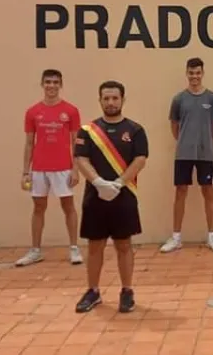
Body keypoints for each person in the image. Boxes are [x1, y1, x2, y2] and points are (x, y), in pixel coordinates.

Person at [72, 80, 149, 313]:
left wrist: (118, 182)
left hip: (123, 196)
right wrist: (97, 182)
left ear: (122, 100)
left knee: (124, 245)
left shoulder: (135, 130)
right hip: (95, 197)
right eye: (106, 98)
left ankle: (127, 291)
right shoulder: (87, 131)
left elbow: (140, 159)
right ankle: (93, 291)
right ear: (100, 100)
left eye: (115, 98)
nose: (111, 102)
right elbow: (80, 159)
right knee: (94, 246)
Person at [16, 69, 83, 267]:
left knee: (68, 207)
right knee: (38, 207)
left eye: (55, 82)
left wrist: (75, 169)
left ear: (60, 85)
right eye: (48, 82)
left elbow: (76, 142)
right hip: (39, 168)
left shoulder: (70, 111)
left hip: (63, 167)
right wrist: (25, 172)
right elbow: (29, 143)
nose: (51, 86)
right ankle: (35, 250)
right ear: (42, 84)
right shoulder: (32, 112)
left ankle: (74, 248)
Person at [160, 57, 213, 253]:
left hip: (206, 154)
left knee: (208, 192)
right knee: (180, 192)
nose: (194, 76)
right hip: (183, 154)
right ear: (186, 73)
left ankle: (212, 236)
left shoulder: (212, 98)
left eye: (198, 73)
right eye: (191, 73)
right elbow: (174, 125)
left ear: (202, 73)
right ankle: (176, 237)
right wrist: (184, 142)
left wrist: (207, 143)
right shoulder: (179, 99)